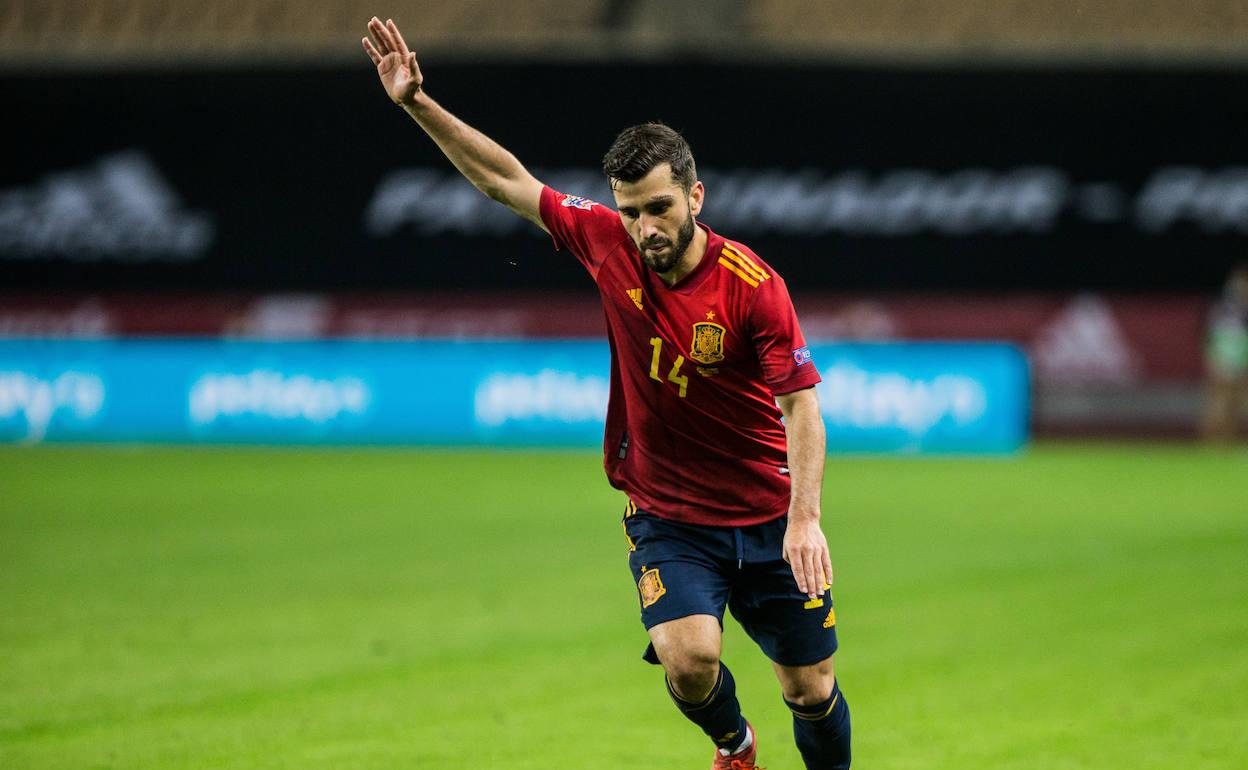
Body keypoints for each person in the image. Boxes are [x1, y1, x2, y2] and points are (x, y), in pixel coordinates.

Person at [363, 17, 850, 769]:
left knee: (811, 689)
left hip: (767, 515)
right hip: (668, 513)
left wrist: (806, 519)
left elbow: (801, 403)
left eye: (659, 208)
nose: (645, 227)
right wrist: (416, 104)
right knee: (689, 662)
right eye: (630, 210)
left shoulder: (754, 288)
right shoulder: (604, 241)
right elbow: (508, 181)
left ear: (695, 195)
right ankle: (735, 743)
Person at [1201, 263, 1248, 443]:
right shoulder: (1220, 307)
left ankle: (1227, 440)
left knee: (1237, 405)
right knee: (1218, 402)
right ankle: (1211, 442)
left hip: (1241, 360)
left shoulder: (1244, 310)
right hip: (1223, 359)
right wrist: (1212, 359)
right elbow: (1208, 335)